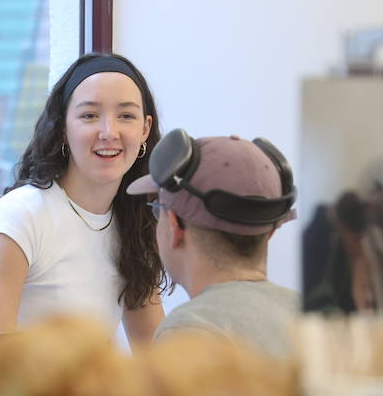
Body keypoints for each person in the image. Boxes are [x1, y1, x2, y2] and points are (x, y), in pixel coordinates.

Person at [0, 52, 166, 345]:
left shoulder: (136, 221)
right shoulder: (20, 214)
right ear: (63, 127)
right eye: (89, 115)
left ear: (145, 129)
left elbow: (156, 357)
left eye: (126, 116)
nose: (109, 132)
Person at [127, 129, 300, 359]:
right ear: (270, 231)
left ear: (174, 225)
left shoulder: (188, 333)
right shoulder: (309, 316)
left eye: (157, 209)